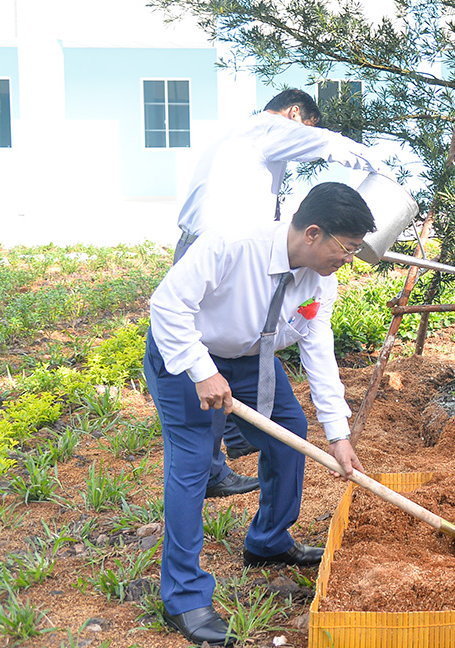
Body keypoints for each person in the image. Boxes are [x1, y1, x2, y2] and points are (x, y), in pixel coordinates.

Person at [145, 182, 374, 646]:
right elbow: (168, 306)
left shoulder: (319, 282)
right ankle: (184, 597)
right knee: (191, 465)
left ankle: (269, 540)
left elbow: (319, 352)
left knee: (290, 433)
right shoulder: (232, 244)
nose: (347, 261)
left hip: (252, 359)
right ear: (313, 233)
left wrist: (339, 434)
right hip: (186, 351)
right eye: (346, 249)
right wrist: (202, 371)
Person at [176, 88, 383, 498]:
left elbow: (314, 338)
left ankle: (233, 443)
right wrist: (381, 170)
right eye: (307, 125)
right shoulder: (267, 127)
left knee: (237, 345)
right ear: (294, 113)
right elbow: (327, 145)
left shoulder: (245, 147)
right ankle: (213, 463)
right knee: (210, 348)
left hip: (213, 242)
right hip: (217, 250)